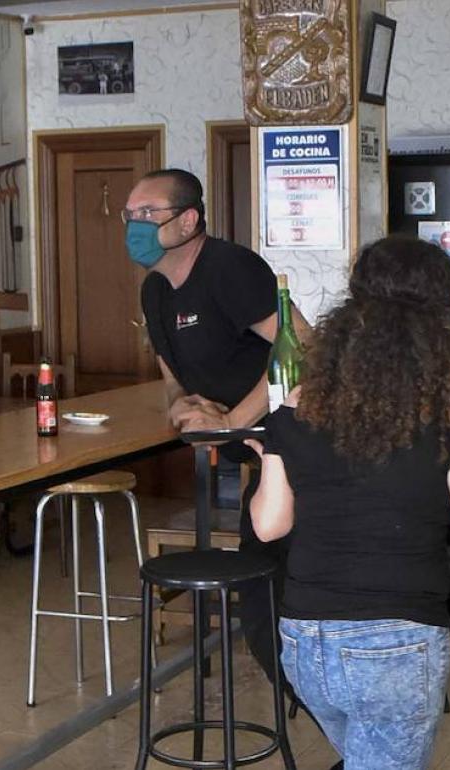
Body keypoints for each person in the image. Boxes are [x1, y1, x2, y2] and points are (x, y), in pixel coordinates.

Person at [248, 236, 450, 769]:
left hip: (305, 640)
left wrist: (272, 453)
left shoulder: (298, 408)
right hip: (395, 645)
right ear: (440, 327)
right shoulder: (447, 419)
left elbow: (269, 525)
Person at [127, 168, 308, 690]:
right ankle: (302, 692)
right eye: (129, 216)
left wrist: (231, 419)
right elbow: (170, 371)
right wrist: (181, 407)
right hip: (244, 458)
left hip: (292, 454)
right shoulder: (155, 291)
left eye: (147, 214)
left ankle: (317, 701)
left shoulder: (229, 268)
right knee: (262, 587)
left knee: (279, 588)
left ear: (188, 221)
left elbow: (304, 348)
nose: (134, 225)